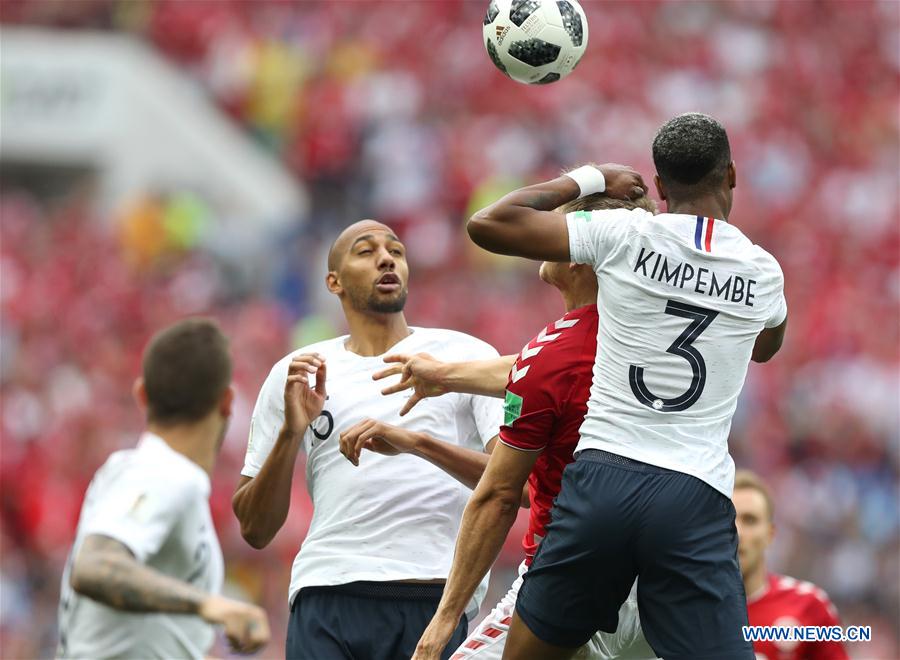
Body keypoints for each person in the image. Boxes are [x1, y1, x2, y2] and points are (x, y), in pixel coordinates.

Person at [465, 113, 788, 660]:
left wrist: (592, 179)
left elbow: (489, 224)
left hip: (604, 480)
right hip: (694, 493)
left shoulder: (623, 235)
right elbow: (766, 345)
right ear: (732, 175)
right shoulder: (763, 273)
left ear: (658, 188)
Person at [346, 193, 658, 660]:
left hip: (569, 579)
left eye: (561, 231)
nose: (546, 237)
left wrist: (444, 619)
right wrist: (446, 377)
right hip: (659, 584)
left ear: (582, 257)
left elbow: (499, 495)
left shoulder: (555, 353)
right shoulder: (651, 332)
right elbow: (549, 374)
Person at [232, 220, 504, 660]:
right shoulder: (297, 372)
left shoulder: (466, 356)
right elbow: (255, 529)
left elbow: (519, 486)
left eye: (396, 250)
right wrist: (289, 434)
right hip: (325, 592)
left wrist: (416, 443)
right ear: (333, 282)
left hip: (431, 598)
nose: (386, 258)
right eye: (366, 251)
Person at [57, 318, 270, 659]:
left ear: (142, 395)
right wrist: (211, 606)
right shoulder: (164, 473)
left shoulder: (140, 471)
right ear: (227, 402)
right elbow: (95, 565)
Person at [734, 470, 849, 660]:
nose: (737, 533)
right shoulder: (685, 608)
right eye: (728, 520)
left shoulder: (809, 605)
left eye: (750, 520)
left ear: (770, 535)